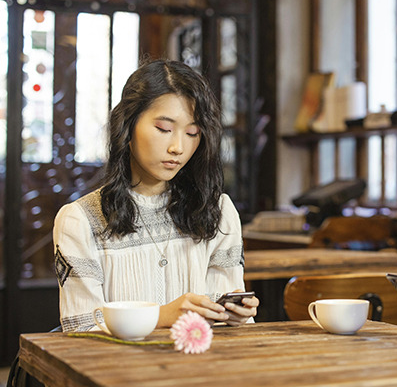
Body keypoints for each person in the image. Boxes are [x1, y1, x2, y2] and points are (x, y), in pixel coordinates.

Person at [53, 59, 259, 331]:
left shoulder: (217, 212)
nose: (178, 147)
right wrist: (162, 317)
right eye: (164, 129)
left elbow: (228, 327)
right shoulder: (81, 220)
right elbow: (80, 330)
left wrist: (234, 317)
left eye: (192, 132)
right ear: (127, 127)